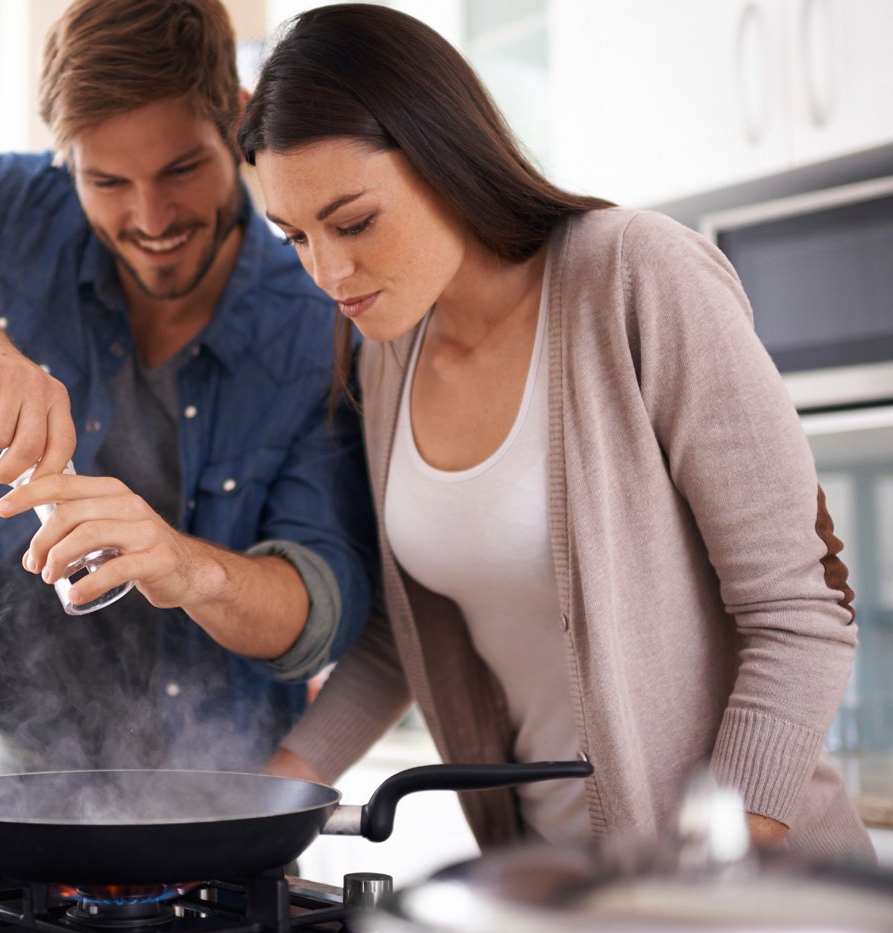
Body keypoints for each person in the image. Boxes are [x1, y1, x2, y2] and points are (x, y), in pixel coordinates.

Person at [238, 3, 872, 860]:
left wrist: (708, 873)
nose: (329, 272)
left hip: (748, 887)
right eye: (296, 237)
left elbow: (799, 612)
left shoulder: (637, 277)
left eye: (353, 223)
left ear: (443, 155)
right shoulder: (390, 349)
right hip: (549, 881)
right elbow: (407, 634)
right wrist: (255, 808)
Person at [0, 0, 375, 787]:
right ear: (67, 162)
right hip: (12, 779)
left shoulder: (316, 321)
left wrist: (185, 568)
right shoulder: (25, 211)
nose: (149, 219)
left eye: (181, 169)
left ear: (241, 126)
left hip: (223, 811)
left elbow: (320, 607)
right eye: (107, 180)